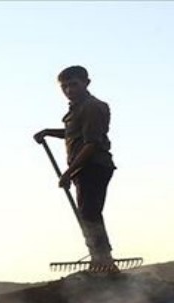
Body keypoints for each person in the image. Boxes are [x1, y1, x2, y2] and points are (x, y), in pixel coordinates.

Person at [33, 65, 119, 273]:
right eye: (65, 87)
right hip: (84, 168)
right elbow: (73, 133)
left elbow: (91, 143)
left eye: (74, 85)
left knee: (89, 212)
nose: (69, 90)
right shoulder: (78, 109)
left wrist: (68, 173)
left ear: (86, 83)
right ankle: (100, 257)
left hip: (93, 165)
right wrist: (48, 132)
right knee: (87, 212)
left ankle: (103, 259)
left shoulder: (92, 107)